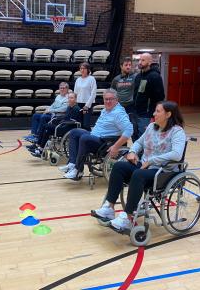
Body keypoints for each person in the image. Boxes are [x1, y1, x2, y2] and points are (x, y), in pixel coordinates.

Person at [91, 101, 186, 230]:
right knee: (119, 166)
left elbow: (176, 155)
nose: (154, 114)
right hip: (144, 166)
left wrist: (152, 161)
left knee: (138, 174)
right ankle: (109, 207)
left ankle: (128, 217)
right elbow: (139, 143)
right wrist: (132, 151)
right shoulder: (152, 126)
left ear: (168, 114)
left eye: (158, 111)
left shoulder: (177, 131)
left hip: (163, 171)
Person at [59, 89, 133, 180]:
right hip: (96, 136)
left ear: (116, 100)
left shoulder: (119, 113)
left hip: (105, 143)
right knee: (74, 132)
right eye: (106, 99)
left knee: (85, 138)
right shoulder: (105, 110)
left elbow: (129, 130)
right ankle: (72, 164)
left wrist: (116, 146)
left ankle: (77, 171)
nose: (108, 101)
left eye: (111, 99)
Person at [28, 92, 81, 157]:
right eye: (69, 98)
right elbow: (65, 117)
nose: (70, 99)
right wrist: (59, 119)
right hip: (63, 126)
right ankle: (40, 149)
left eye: (71, 98)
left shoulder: (76, 109)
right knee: (47, 129)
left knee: (46, 127)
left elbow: (72, 121)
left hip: (68, 128)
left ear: (75, 99)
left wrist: (62, 122)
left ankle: (38, 146)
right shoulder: (69, 107)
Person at [132, 53, 165, 141]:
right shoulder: (138, 76)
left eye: (143, 60)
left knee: (145, 139)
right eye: (139, 60)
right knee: (135, 137)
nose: (140, 62)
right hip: (135, 113)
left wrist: (154, 114)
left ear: (150, 62)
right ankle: (136, 155)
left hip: (147, 115)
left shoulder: (155, 76)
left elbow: (160, 97)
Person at [74, 62, 97, 130]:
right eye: (81, 68)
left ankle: (89, 139)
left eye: (84, 68)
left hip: (87, 104)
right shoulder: (78, 79)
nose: (82, 70)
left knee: (86, 124)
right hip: (79, 104)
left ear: (88, 69)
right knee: (79, 123)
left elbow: (93, 93)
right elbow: (75, 93)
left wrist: (87, 106)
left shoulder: (91, 79)